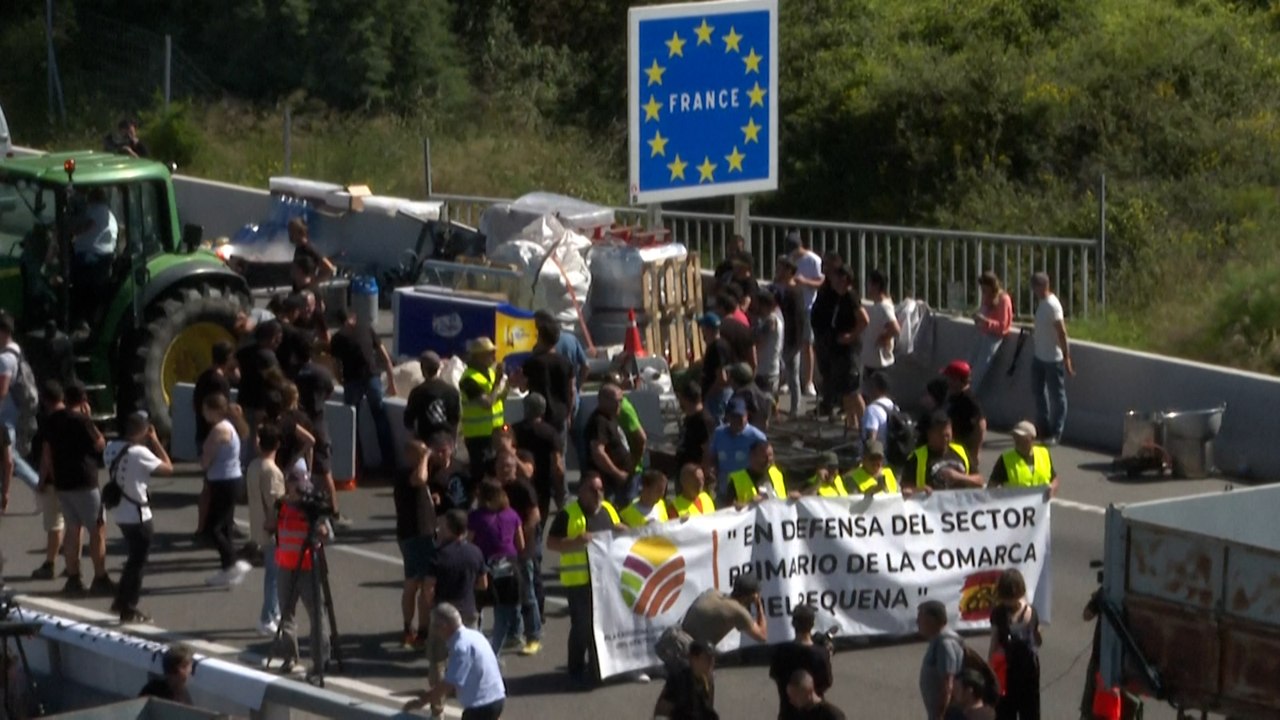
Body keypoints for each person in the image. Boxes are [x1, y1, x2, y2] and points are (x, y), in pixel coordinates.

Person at [546, 471, 620, 685]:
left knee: (602, 625)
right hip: (579, 581)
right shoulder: (568, 514)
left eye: (601, 489)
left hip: (604, 580)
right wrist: (575, 542)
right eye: (592, 489)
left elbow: (618, 527)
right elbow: (551, 543)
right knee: (582, 626)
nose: (598, 494)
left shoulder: (608, 509)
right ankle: (576, 666)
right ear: (581, 491)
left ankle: (598, 667)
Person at [41, 382, 112, 596]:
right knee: (97, 530)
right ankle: (100, 577)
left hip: (63, 483)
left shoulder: (52, 420)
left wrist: (50, 477)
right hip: (85, 481)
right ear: (83, 401)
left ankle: (73, 577)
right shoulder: (82, 421)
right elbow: (100, 444)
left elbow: (47, 452)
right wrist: (89, 418)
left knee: (72, 529)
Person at [104, 412, 173, 624]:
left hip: (120, 512)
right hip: (138, 514)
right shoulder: (140, 452)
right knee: (138, 563)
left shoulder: (110, 448)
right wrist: (155, 441)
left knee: (133, 560)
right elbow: (168, 468)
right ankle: (128, 606)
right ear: (144, 430)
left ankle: (121, 600)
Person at [423, 510, 489, 716]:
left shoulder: (438, 555)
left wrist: (432, 606)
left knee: (438, 661)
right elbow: (483, 584)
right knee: (470, 663)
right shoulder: (475, 552)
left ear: (450, 528)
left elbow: (429, 588)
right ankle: (477, 707)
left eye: (443, 525)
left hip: (444, 615)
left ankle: (438, 709)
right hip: (468, 612)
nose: (440, 528)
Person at [269, 465, 330, 679]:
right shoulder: (281, 505)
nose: (302, 490)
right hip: (285, 566)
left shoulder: (312, 508)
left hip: (308, 567)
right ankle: (289, 657)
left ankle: (320, 661)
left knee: (316, 615)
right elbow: (271, 526)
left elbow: (327, 535)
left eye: (304, 485)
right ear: (289, 485)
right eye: (298, 485)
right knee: (286, 614)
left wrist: (320, 531)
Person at [404, 603, 506, 720]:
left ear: (443, 626)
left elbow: (450, 683)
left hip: (481, 706)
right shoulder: (475, 635)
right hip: (497, 697)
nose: (435, 632)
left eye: (435, 627)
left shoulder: (460, 647)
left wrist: (423, 700)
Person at [330, 308, 398, 472]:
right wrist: (391, 382)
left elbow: (335, 366)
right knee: (379, 416)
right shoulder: (367, 329)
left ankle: (357, 464)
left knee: (352, 422)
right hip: (372, 377)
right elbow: (385, 357)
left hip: (352, 381)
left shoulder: (337, 338)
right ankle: (389, 460)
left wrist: (342, 382)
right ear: (353, 317)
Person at [489, 450, 543, 656]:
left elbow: (535, 515)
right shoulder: (494, 489)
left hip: (522, 550)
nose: (505, 470)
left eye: (509, 467)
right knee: (509, 593)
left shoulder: (522, 487)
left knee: (527, 594)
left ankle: (533, 636)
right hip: (502, 551)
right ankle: (514, 633)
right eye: (501, 466)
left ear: (515, 468)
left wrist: (519, 536)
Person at [200, 393, 252, 586]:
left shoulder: (219, 430)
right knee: (224, 527)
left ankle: (233, 562)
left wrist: (203, 459)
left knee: (212, 529)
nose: (203, 413)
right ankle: (227, 570)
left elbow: (205, 460)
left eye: (205, 409)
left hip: (223, 482)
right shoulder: (229, 426)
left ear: (213, 410)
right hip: (230, 480)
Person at [468, 481, 525, 656]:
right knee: (503, 611)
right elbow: (521, 544)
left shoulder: (476, 517)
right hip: (509, 565)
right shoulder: (512, 515)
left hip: (484, 565)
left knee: (478, 606)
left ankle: (477, 647)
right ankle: (494, 652)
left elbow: (469, 542)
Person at [394, 440, 437, 650]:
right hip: (413, 535)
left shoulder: (421, 472)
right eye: (419, 453)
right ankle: (409, 628)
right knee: (413, 583)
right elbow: (419, 479)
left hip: (426, 533)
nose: (423, 456)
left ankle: (422, 629)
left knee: (426, 583)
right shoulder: (405, 473)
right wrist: (426, 456)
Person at [815, 265, 867, 428]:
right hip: (838, 349)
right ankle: (852, 424)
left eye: (837, 277)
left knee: (853, 391)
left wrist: (851, 336)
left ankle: (866, 426)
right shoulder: (838, 297)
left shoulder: (851, 297)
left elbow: (864, 320)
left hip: (849, 351)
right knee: (845, 391)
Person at [192, 341, 235, 536]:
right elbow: (224, 409)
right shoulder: (220, 382)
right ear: (228, 358)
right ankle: (210, 527)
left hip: (202, 432)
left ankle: (206, 525)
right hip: (215, 437)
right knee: (213, 486)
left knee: (209, 485)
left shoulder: (203, 378)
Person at [246, 424, 286, 636]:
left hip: (257, 525)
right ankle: (267, 616)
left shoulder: (253, 465)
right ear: (277, 445)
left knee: (273, 573)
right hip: (272, 530)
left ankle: (274, 611)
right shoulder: (272, 471)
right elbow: (276, 503)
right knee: (274, 575)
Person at [988, 569, 1041, 720]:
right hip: (1008, 669)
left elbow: (1038, 642)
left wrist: (1036, 632)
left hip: (1027, 670)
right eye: (1007, 598)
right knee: (1006, 711)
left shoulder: (1031, 612)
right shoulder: (999, 613)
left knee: (1028, 711)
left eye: (1012, 597)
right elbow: (994, 643)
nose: (1009, 602)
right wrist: (990, 670)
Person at [27, 381, 65, 581]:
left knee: (54, 524)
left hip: (55, 481)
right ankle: (73, 563)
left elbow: (47, 455)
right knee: (73, 523)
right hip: (76, 479)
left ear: (45, 399)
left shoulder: (49, 421)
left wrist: (42, 480)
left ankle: (50, 563)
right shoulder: (76, 417)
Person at [769, 605, 833, 720]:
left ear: (793, 624)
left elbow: (775, 675)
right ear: (812, 625)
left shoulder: (780, 651)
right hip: (814, 715)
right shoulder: (820, 654)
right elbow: (826, 683)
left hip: (787, 713)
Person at [1031, 272, 1074, 444]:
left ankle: (1056, 432)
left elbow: (1062, 332)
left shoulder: (1052, 305)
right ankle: (1044, 429)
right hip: (1039, 356)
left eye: (1036, 287)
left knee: (1057, 396)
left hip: (1052, 359)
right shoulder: (1042, 303)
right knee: (1039, 393)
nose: (1034, 291)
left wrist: (1066, 357)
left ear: (1043, 286)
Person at [460, 337, 508, 489]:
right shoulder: (469, 379)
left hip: (495, 433)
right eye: (489, 353)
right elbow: (486, 403)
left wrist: (508, 384)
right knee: (481, 477)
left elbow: (499, 399)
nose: (494, 356)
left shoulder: (491, 374)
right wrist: (497, 383)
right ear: (478, 356)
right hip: (478, 437)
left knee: (496, 474)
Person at [513, 392, 565, 522]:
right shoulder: (550, 433)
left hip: (518, 483)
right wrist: (559, 492)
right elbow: (557, 466)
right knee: (538, 524)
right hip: (542, 485)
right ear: (543, 410)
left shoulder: (514, 430)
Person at [903, 412, 983, 495]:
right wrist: (918, 490)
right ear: (929, 434)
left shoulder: (960, 451)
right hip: (931, 502)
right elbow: (905, 489)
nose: (945, 435)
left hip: (960, 502)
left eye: (948, 430)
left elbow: (980, 481)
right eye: (940, 432)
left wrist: (959, 477)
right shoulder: (917, 457)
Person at [681, 573, 769, 649]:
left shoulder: (712, 592)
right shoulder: (738, 611)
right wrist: (759, 605)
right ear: (751, 596)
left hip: (678, 639)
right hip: (691, 652)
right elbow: (762, 636)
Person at [521, 311, 576, 432]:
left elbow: (522, 388)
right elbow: (571, 391)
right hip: (560, 416)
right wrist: (568, 415)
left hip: (538, 417)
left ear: (540, 338)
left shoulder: (532, 363)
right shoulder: (566, 363)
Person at [585, 383, 635, 507]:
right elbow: (598, 452)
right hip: (609, 482)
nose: (620, 404)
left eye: (621, 400)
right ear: (603, 401)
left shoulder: (610, 418)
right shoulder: (599, 422)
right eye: (617, 401)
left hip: (619, 481)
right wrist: (617, 473)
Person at [787, 230, 824, 396]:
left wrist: (804, 281)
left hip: (808, 306)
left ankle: (808, 381)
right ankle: (788, 379)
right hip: (792, 306)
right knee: (790, 343)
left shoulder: (813, 260)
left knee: (807, 344)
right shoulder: (789, 259)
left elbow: (821, 281)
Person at [918, 599, 965, 720]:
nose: (917, 622)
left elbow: (948, 685)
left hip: (946, 714)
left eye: (920, 617)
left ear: (932, 620)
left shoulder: (944, 644)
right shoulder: (937, 641)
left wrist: (940, 715)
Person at [772, 257, 806, 417]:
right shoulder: (783, 290)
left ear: (788, 271)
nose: (778, 271)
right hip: (784, 337)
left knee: (792, 375)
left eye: (781, 268)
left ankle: (795, 408)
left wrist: (796, 342)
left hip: (791, 340)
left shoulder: (794, 292)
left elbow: (799, 319)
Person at [989, 421, 1060, 495]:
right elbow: (991, 487)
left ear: (1032, 438)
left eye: (1021, 437)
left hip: (1039, 502)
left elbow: (1054, 479)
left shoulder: (1043, 454)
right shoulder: (1005, 459)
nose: (1017, 440)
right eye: (1015, 436)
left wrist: (1052, 488)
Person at [404, 351, 460, 443]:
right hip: (446, 443)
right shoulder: (452, 391)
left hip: (426, 442)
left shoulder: (417, 392)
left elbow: (408, 422)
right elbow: (455, 421)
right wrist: (453, 443)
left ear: (423, 369)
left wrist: (417, 441)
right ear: (438, 368)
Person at [654, 639, 718, 720]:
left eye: (712, 658)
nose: (711, 662)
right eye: (706, 658)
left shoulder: (707, 680)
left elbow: (709, 710)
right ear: (693, 659)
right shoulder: (679, 679)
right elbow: (661, 712)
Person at [970, 272, 1012, 393]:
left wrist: (986, 321)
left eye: (984, 287)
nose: (982, 291)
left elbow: (1003, 326)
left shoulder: (1003, 299)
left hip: (993, 337)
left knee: (979, 370)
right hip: (982, 333)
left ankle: (969, 393)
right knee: (969, 364)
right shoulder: (987, 297)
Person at [943, 361, 987, 471]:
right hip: (953, 445)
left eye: (950, 378)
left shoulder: (969, 400)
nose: (947, 381)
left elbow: (981, 425)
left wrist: (976, 451)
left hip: (964, 447)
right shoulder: (953, 396)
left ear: (957, 379)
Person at [729, 441, 796, 507]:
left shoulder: (778, 473)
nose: (768, 459)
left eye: (770, 455)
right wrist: (749, 504)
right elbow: (728, 508)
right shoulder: (737, 479)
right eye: (764, 456)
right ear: (752, 456)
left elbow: (784, 496)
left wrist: (792, 497)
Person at [861, 269, 900, 380]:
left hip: (880, 365)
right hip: (872, 363)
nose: (867, 287)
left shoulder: (884, 307)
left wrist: (884, 337)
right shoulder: (877, 306)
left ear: (876, 285)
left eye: (869, 283)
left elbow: (896, 329)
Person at [698, 313, 735, 423]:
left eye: (703, 328)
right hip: (722, 395)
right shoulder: (723, 344)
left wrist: (708, 395)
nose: (702, 331)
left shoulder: (716, 348)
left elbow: (722, 378)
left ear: (708, 329)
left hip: (717, 398)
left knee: (718, 427)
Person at [675, 382, 717, 475]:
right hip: (684, 471)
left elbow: (708, 450)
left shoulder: (704, 420)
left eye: (680, 398)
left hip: (695, 474)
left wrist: (702, 473)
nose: (679, 401)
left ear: (685, 399)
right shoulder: (689, 417)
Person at [754, 290, 784, 396]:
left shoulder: (771, 321)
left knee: (765, 401)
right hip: (768, 369)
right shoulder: (773, 318)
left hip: (766, 371)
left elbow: (760, 342)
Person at [287, 217, 336, 282]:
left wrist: (313, 283)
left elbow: (329, 269)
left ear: (300, 232)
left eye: (292, 231)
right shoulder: (299, 248)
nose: (290, 235)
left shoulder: (309, 248)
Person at [728, 362, 772, 432]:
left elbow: (736, 423)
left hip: (745, 434)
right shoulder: (757, 389)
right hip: (760, 432)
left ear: (734, 380)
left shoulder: (739, 396)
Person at [861, 372, 899, 450]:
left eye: (869, 385)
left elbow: (871, 440)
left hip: (878, 455)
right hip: (891, 454)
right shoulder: (893, 406)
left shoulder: (872, 410)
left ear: (875, 387)